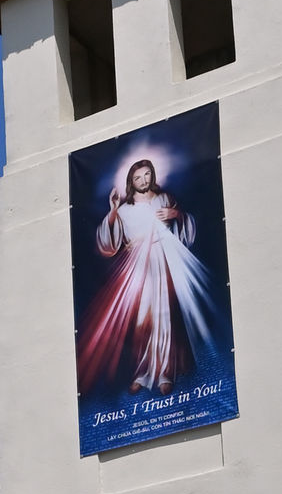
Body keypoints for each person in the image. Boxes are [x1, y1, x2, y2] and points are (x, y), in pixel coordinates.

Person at [78, 155, 222, 401]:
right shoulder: (123, 210)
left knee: (165, 316)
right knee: (141, 319)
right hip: (138, 267)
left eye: (146, 174)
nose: (143, 180)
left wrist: (175, 214)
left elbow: (186, 228)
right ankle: (143, 373)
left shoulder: (163, 199)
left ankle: (165, 372)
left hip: (163, 260)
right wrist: (112, 211)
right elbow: (108, 243)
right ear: (130, 181)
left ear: (152, 175)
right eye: (137, 177)